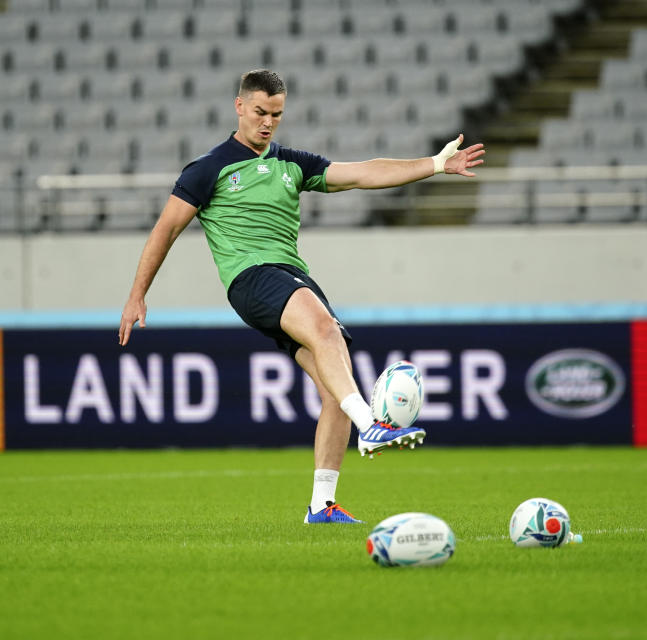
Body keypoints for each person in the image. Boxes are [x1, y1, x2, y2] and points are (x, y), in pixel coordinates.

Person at [118, 69, 484, 524]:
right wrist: (137, 295)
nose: (268, 122)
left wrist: (433, 164)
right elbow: (166, 229)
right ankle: (372, 426)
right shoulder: (209, 168)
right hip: (251, 277)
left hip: (292, 278)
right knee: (328, 332)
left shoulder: (292, 163)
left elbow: (363, 173)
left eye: (276, 114)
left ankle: (321, 504)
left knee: (336, 384)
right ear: (239, 107)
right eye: (260, 112)